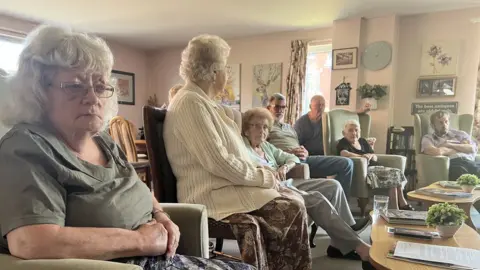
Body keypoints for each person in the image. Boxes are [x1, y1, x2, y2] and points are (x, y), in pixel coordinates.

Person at [0, 25, 253, 270]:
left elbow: (136, 186)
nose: (92, 98)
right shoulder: (27, 147)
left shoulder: (103, 140)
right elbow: (31, 242)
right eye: (75, 85)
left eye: (99, 86)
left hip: (158, 259)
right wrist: (142, 241)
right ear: (38, 91)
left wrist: (160, 214)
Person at [164, 34, 312, 270]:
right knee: (291, 208)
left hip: (224, 187)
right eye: (224, 69)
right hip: (210, 194)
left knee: (293, 198)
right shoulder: (190, 103)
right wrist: (264, 176)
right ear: (214, 73)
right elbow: (219, 162)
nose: (227, 76)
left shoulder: (204, 103)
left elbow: (234, 145)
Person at [241, 108, 373, 263]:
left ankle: (339, 242)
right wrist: (268, 170)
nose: (261, 131)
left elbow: (291, 158)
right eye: (255, 126)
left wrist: (285, 167)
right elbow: (246, 168)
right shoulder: (244, 147)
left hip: (286, 182)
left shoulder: (266, 147)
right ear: (246, 129)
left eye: (264, 127)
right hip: (272, 188)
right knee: (317, 198)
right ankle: (357, 245)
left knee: (333, 185)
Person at [267, 93, 354, 196]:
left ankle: (339, 201)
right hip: (289, 162)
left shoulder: (289, 127)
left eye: (283, 107)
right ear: (268, 108)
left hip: (305, 158)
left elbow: (298, 144)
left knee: (347, 164)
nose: (280, 110)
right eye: (277, 107)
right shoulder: (266, 127)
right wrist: (288, 153)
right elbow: (264, 150)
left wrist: (305, 151)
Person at [337, 120, 414, 210]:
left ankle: (396, 206)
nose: (354, 133)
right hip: (364, 172)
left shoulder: (362, 141)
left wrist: (371, 156)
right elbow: (343, 153)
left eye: (356, 130)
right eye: (350, 130)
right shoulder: (343, 142)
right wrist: (362, 156)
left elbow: (375, 157)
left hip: (375, 168)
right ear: (344, 133)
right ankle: (399, 205)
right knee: (394, 174)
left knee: (396, 173)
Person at [422, 110, 479, 181]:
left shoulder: (460, 134)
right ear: (433, 125)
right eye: (440, 123)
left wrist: (448, 144)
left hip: (471, 162)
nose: (444, 125)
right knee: (461, 181)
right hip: (454, 163)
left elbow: (472, 148)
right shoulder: (428, 138)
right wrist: (460, 148)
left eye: (446, 122)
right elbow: (436, 151)